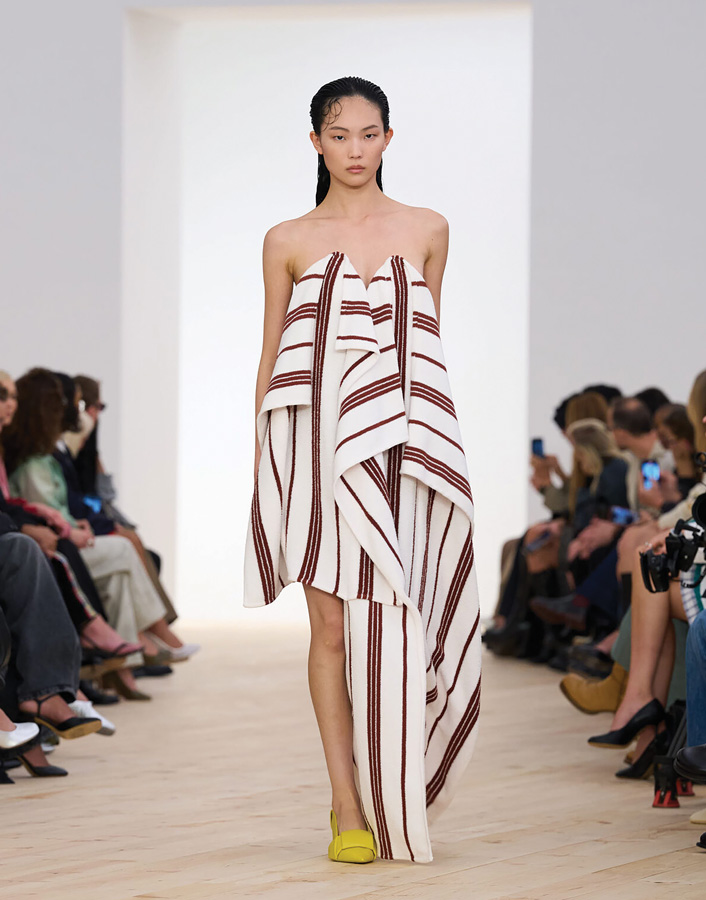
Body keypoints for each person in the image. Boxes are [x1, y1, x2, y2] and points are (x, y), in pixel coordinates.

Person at [243, 77, 480, 865]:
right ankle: (346, 804)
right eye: (339, 135)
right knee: (331, 630)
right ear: (315, 142)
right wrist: (265, 467)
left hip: (403, 449)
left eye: (368, 134)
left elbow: (422, 355)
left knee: (401, 622)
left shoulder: (428, 228)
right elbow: (273, 353)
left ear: (388, 138)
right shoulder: (287, 239)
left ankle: (394, 785)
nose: (355, 149)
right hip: (313, 449)